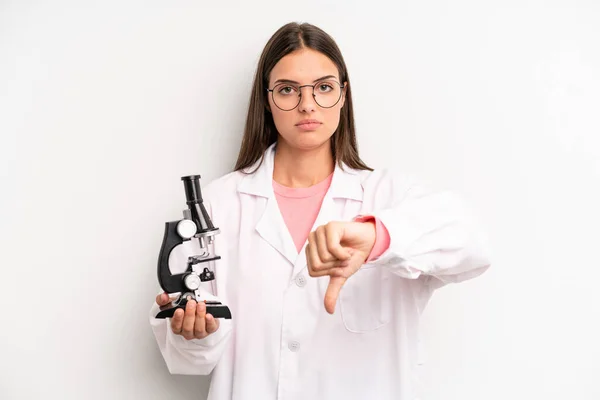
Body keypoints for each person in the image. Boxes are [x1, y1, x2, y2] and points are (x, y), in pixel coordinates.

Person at [149, 21, 491, 400]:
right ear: (266, 99)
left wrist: (379, 237)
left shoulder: (388, 195)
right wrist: (194, 334)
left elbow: (473, 242)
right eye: (288, 90)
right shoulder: (219, 204)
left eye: (324, 87)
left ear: (344, 95)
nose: (307, 104)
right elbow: (193, 360)